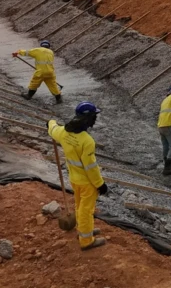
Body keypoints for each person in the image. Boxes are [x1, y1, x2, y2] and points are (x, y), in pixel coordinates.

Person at [48, 101, 108, 251]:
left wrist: (50, 122)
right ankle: (86, 240)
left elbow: (53, 129)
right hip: (87, 183)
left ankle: (83, 230)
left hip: (74, 179)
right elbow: (91, 168)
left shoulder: (63, 132)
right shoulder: (86, 141)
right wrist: (100, 184)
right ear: (89, 119)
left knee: (80, 207)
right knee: (86, 211)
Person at [13, 39, 61, 103]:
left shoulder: (38, 50)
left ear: (41, 45)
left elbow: (27, 52)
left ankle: (28, 96)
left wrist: (18, 52)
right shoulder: (51, 52)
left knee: (34, 83)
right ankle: (59, 99)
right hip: (50, 72)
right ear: (48, 46)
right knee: (53, 85)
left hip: (40, 72)